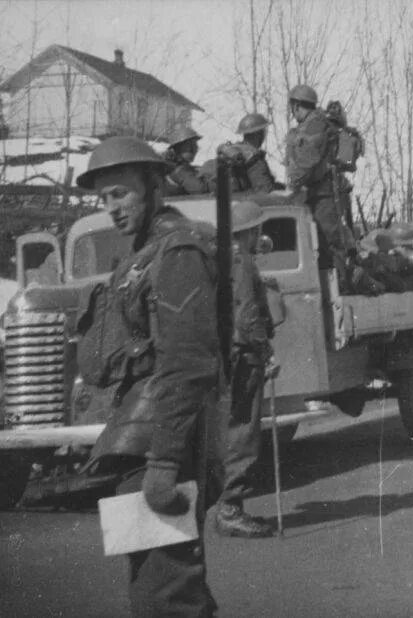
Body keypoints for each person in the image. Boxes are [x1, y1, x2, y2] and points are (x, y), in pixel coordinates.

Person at [76, 136, 221, 616]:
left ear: (155, 186)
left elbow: (187, 364)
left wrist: (163, 464)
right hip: (142, 436)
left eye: (121, 193)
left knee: (165, 593)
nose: (112, 208)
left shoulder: (177, 252)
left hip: (164, 439)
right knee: (160, 585)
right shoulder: (142, 254)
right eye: (104, 199)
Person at [215, 201, 281, 538]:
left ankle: (225, 506)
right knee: (242, 433)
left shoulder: (223, 257)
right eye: (257, 229)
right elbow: (247, 315)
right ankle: (230, 510)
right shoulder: (240, 261)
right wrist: (266, 353)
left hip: (226, 356)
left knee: (229, 430)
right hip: (243, 356)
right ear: (250, 231)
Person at [285, 84, 354, 283]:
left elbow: (308, 159)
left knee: (328, 241)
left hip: (324, 194)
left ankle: (339, 287)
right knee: (317, 243)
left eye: (293, 107)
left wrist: (294, 183)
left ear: (297, 105)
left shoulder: (315, 125)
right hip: (314, 193)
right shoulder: (307, 125)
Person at [218, 112, 281, 193]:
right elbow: (265, 192)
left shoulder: (237, 150)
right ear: (258, 134)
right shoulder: (253, 158)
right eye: (263, 131)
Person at [163, 127, 212, 195]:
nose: (195, 149)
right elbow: (200, 189)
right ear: (178, 148)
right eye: (191, 146)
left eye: (195, 145)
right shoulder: (178, 171)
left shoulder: (181, 167)